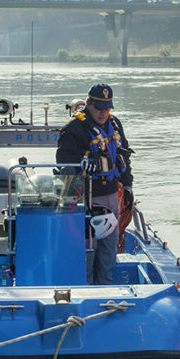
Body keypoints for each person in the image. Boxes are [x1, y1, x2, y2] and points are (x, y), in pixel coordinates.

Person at [56, 84, 133, 285]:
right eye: (99, 108)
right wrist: (81, 168)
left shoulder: (115, 124)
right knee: (86, 253)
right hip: (84, 200)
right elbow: (65, 166)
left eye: (107, 108)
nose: (103, 113)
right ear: (88, 104)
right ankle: (85, 289)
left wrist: (128, 187)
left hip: (111, 198)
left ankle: (105, 288)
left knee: (108, 251)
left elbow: (124, 157)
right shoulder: (73, 129)